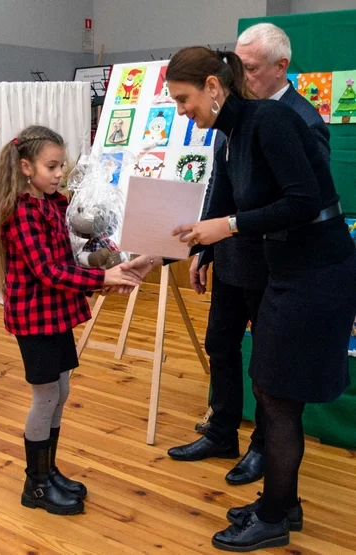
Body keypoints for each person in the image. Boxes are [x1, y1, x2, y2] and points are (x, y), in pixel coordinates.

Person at [121, 47, 356, 551]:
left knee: (278, 396)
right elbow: (224, 217)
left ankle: (274, 515)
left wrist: (223, 225)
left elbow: (302, 202)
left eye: (184, 100)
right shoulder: (234, 134)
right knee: (273, 391)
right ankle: (282, 502)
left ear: (212, 85)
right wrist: (155, 257)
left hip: (316, 273)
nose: (181, 112)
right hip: (291, 271)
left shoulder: (268, 120)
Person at [170, 24, 332, 489]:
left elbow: (304, 201)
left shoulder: (300, 119)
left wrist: (230, 228)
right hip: (233, 258)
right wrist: (203, 248)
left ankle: (265, 445)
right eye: (238, 66)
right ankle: (221, 431)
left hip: (276, 269)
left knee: (267, 365)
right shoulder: (233, 117)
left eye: (253, 68)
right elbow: (220, 188)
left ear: (282, 67)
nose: (244, 76)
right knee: (220, 345)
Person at [0, 125, 142, 516]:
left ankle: (49, 470)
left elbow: (70, 258)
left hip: (54, 313)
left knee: (62, 389)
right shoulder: (21, 212)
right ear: (26, 167)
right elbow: (48, 271)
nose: (59, 174)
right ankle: (35, 485)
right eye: (51, 166)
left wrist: (107, 263)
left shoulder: (54, 204)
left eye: (62, 166)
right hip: (34, 318)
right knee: (46, 396)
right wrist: (103, 277)